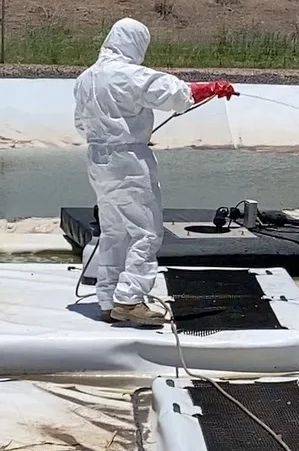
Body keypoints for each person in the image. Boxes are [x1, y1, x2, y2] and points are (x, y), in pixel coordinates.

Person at [74, 17, 235, 327]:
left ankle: (108, 299)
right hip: (128, 161)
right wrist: (214, 88)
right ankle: (131, 299)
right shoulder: (127, 74)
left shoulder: (86, 79)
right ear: (135, 43)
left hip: (97, 158)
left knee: (113, 231)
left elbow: (81, 124)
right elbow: (175, 94)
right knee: (145, 231)